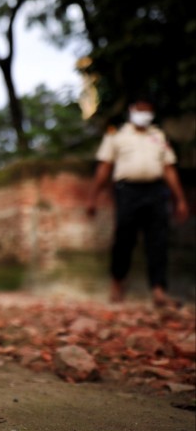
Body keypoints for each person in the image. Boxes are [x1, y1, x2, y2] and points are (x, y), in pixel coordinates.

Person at [86, 99, 189, 306]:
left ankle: (158, 290)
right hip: (127, 191)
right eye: (140, 110)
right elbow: (105, 167)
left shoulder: (158, 136)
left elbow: (169, 168)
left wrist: (180, 199)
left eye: (148, 111)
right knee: (124, 238)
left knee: (158, 241)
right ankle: (117, 282)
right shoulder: (117, 135)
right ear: (131, 111)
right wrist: (93, 197)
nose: (144, 114)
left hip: (155, 191)